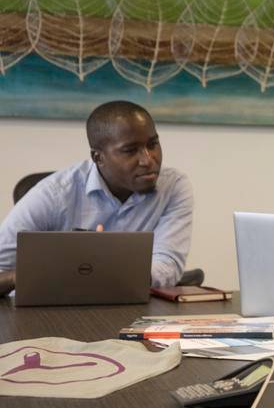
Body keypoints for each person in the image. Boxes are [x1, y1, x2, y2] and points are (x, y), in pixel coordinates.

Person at [0, 100, 193, 288]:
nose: (148, 160)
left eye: (152, 144)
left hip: (131, 307)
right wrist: (46, 272)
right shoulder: (54, 194)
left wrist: (104, 270)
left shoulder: (174, 186)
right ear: (98, 157)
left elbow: (167, 265)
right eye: (130, 150)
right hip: (51, 311)